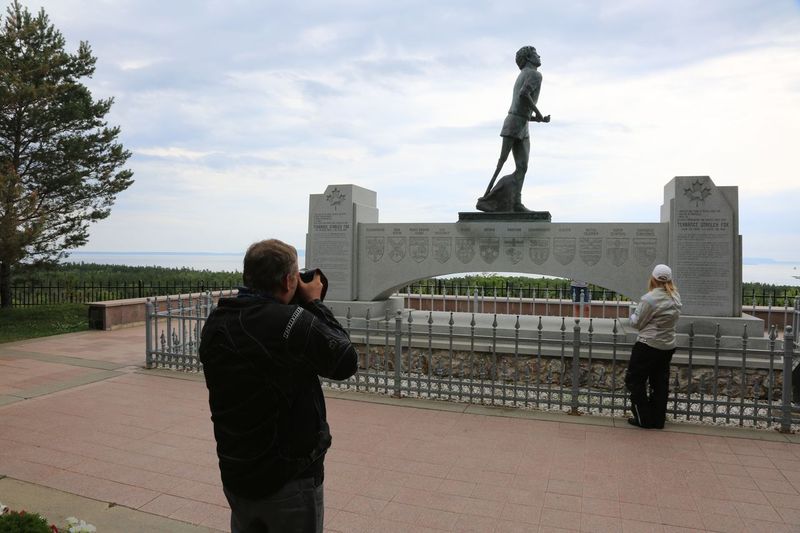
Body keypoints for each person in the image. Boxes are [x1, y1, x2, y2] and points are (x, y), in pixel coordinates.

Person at [199, 239, 358, 532]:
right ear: (288, 280)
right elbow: (345, 359)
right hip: (288, 478)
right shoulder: (289, 323)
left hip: (237, 470)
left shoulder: (217, 322)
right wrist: (314, 302)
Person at [477, 45, 550, 213]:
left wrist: (538, 119)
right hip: (514, 122)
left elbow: (522, 108)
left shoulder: (523, 75)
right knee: (501, 164)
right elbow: (524, 95)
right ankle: (487, 199)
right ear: (529, 58)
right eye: (536, 54)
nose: (539, 56)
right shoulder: (534, 74)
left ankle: (516, 202)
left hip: (521, 123)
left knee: (522, 167)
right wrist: (539, 113)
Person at [625, 264, 682, 429]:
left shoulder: (649, 299)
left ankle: (644, 418)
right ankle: (658, 419)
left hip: (648, 345)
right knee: (659, 383)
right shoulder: (675, 296)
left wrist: (633, 314)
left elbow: (637, 323)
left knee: (635, 381)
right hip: (668, 346)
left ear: (653, 278)